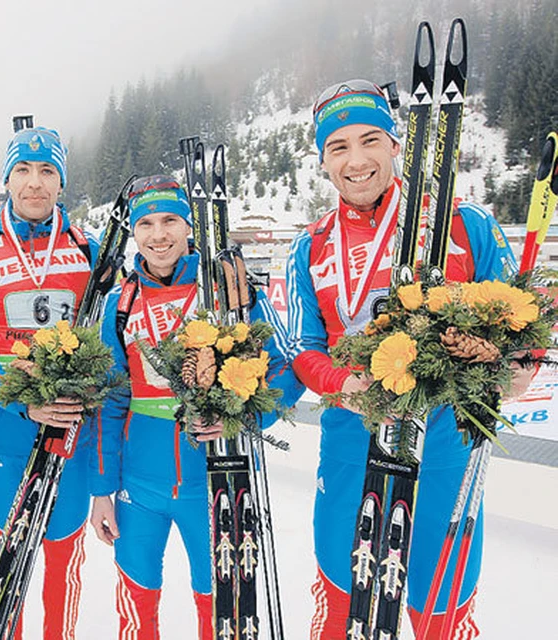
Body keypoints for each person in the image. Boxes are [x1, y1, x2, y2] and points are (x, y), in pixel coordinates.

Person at [287, 79, 534, 639]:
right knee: (341, 601)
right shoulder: (312, 246)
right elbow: (303, 347)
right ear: (323, 161)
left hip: (447, 440)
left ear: (397, 145)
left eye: (370, 140)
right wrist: (348, 385)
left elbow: (524, 312)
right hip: (353, 438)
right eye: (338, 147)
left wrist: (519, 363)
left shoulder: (462, 223)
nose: (356, 161)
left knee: (439, 605)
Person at [88, 175, 304, 638]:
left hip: (216, 480)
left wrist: (243, 417)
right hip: (137, 489)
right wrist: (101, 489)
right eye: (145, 223)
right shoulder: (120, 304)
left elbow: (286, 371)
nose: (158, 234)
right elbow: (108, 401)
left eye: (169, 220)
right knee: (135, 604)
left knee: (221, 609)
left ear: (190, 227)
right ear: (134, 233)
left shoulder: (231, 292)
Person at [0, 126, 99, 640]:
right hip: (5, 437)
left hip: (73, 437)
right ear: (7, 180)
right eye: (23, 172)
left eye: (47, 171)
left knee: (63, 563)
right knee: (9, 565)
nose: (35, 183)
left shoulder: (90, 251)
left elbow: (110, 346)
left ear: (62, 182)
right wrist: (24, 398)